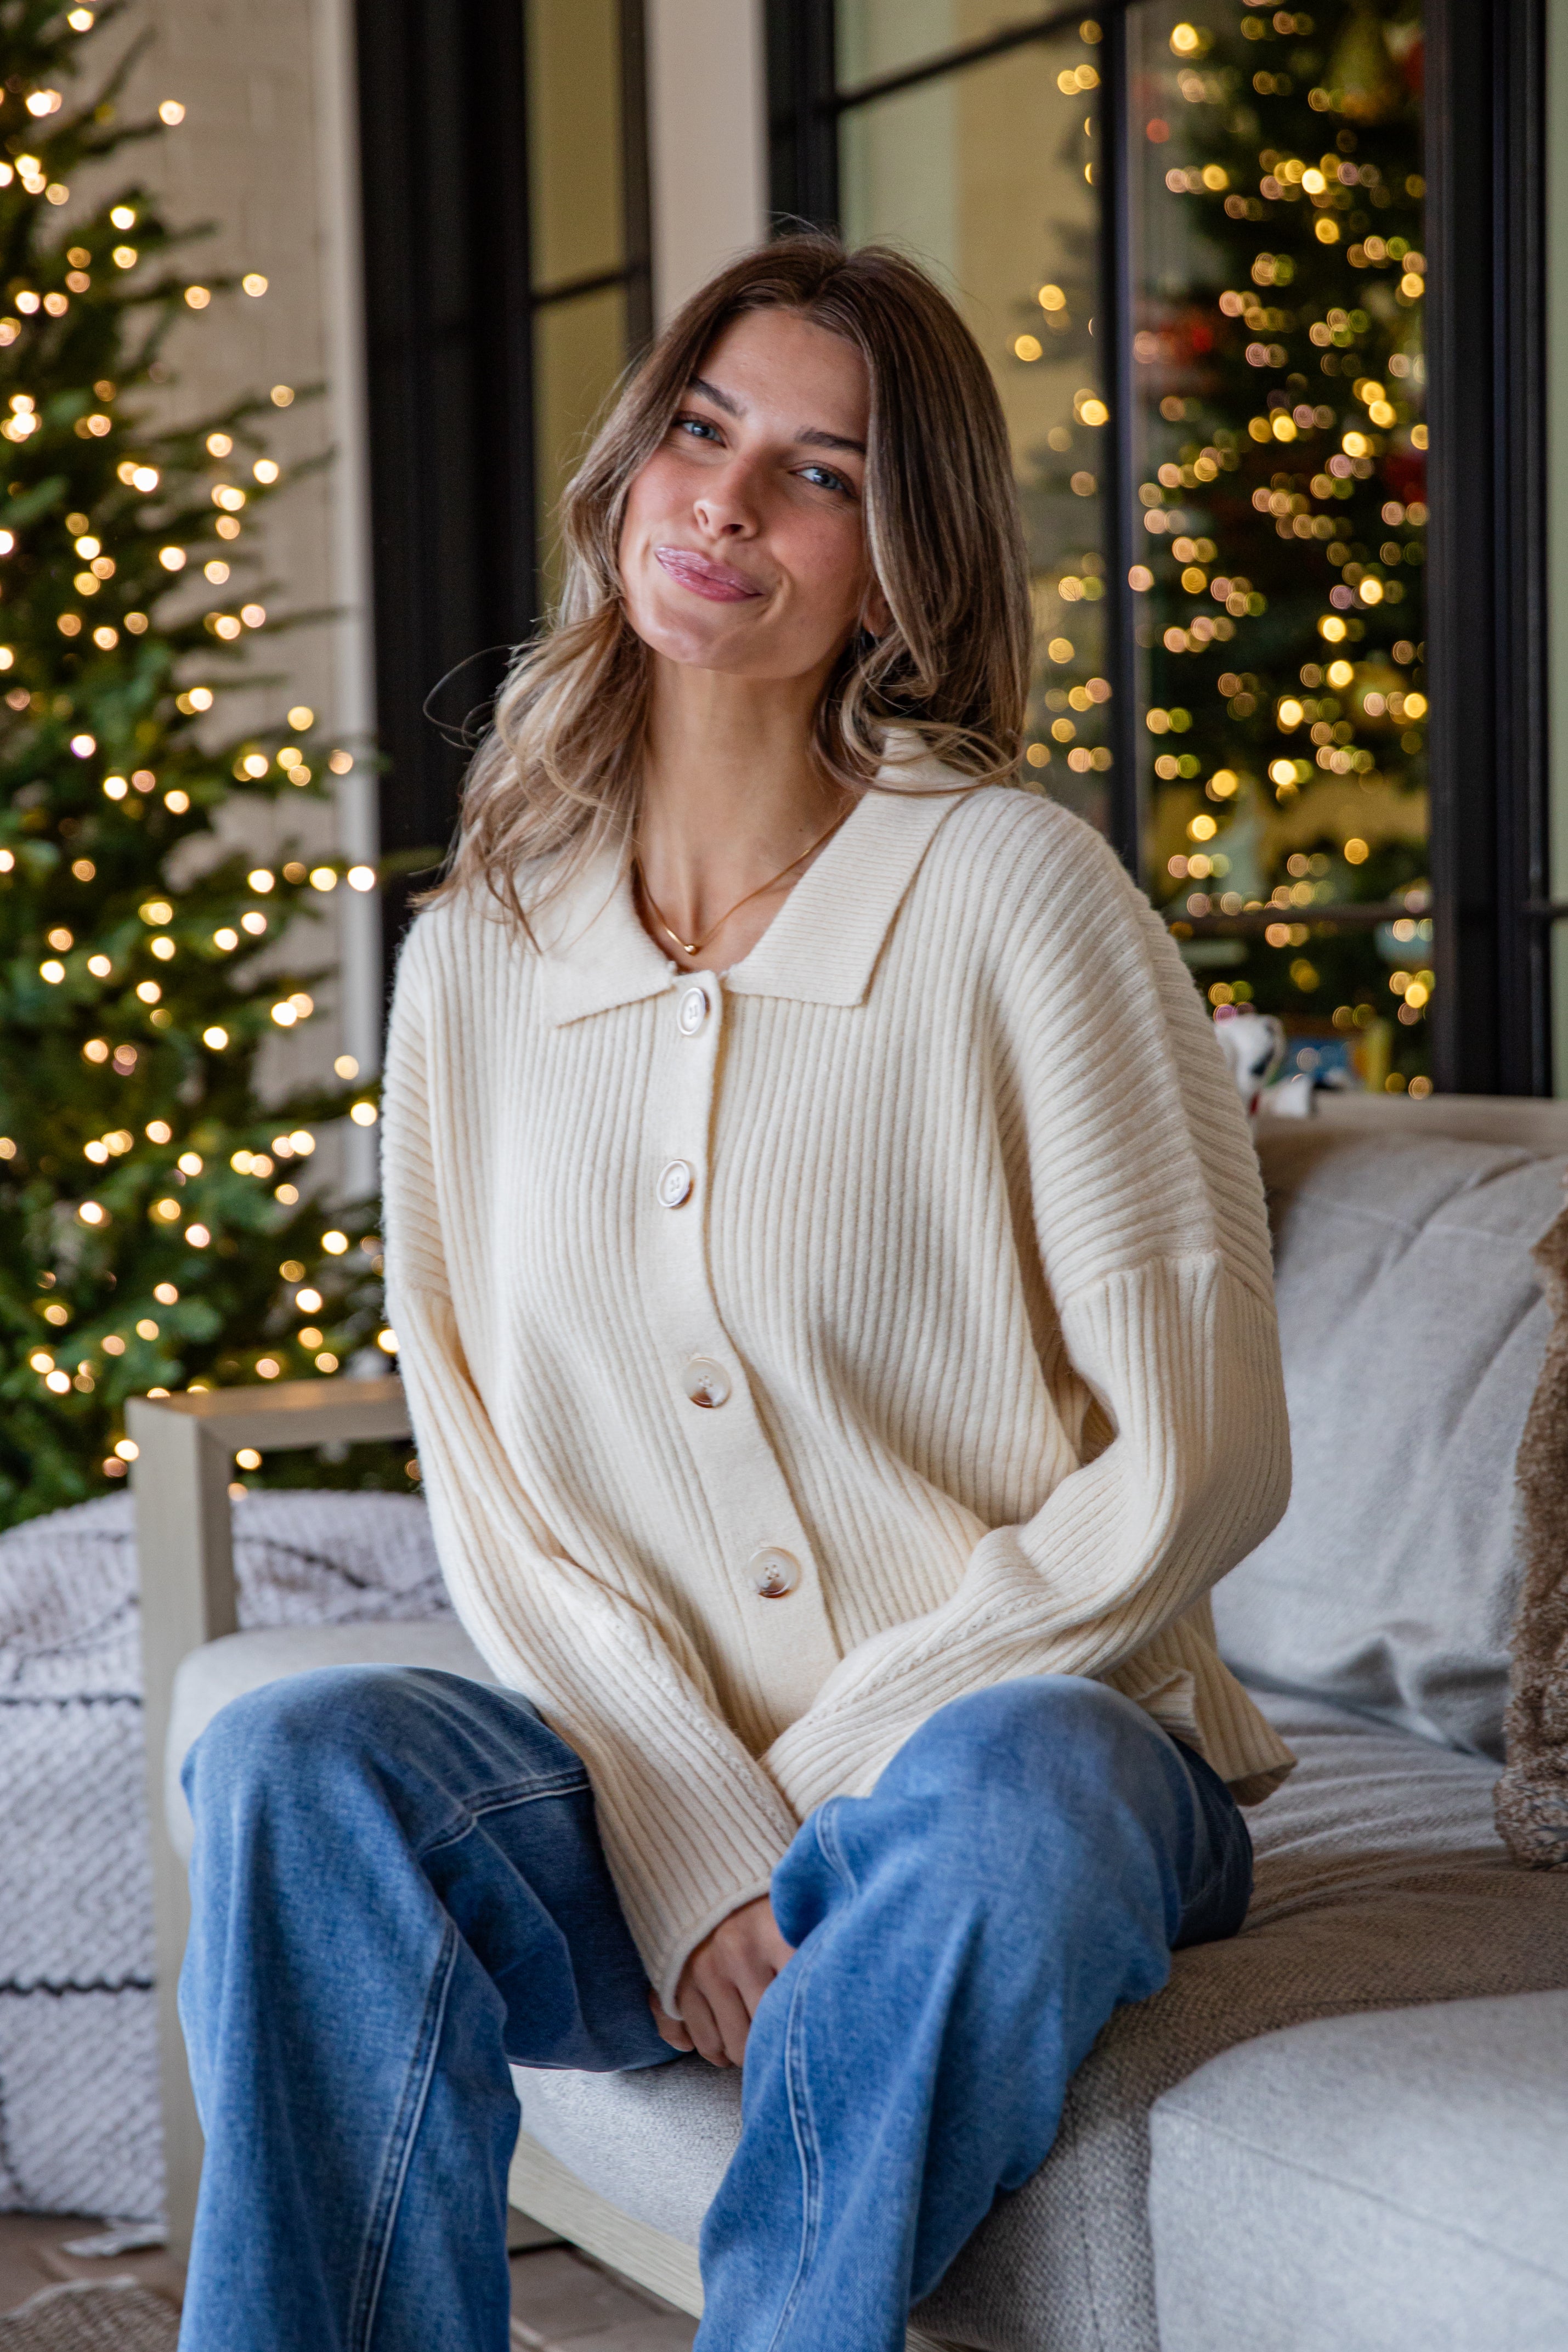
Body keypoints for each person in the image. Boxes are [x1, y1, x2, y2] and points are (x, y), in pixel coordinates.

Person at [176, 235, 1294, 2352]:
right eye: (701, 431)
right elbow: (488, 1473)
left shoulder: (1015, 895)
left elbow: (1203, 1448)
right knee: (298, 1761)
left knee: (1015, 1781)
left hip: (1024, 1785)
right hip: (642, 1806)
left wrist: (847, 1770)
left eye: (820, 474)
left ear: (899, 565)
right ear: (625, 477)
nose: (726, 502)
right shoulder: (478, 960)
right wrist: (694, 1841)